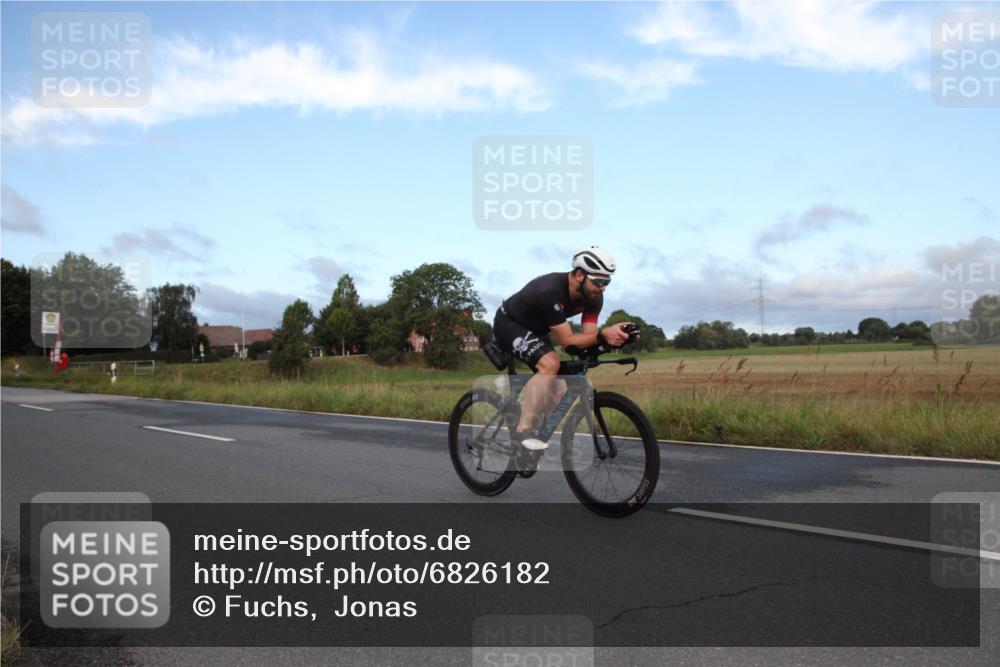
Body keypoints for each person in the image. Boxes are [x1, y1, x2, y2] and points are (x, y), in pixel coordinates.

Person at [492, 245, 634, 451]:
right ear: (579, 275)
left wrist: (614, 339)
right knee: (550, 365)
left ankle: (534, 443)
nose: (603, 287)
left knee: (558, 389)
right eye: (599, 281)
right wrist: (603, 334)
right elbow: (568, 342)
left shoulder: (595, 297)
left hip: (538, 329)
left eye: (607, 281)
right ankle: (523, 430)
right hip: (509, 323)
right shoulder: (551, 290)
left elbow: (587, 338)